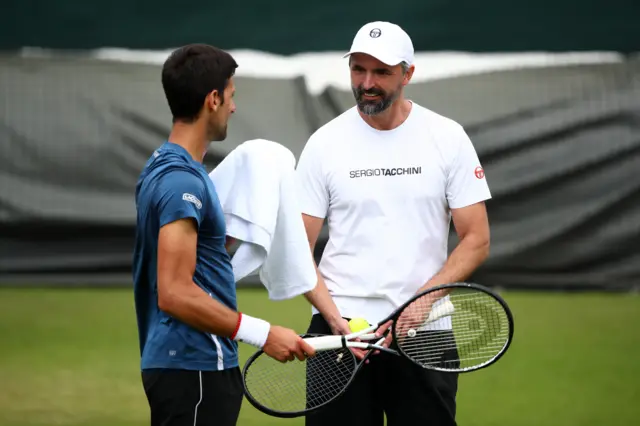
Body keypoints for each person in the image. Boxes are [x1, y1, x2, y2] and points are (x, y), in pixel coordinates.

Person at [297, 22, 491, 426]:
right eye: (358, 69)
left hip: (427, 333)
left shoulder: (447, 137)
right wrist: (337, 320)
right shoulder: (323, 143)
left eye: (381, 72)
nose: (367, 83)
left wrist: (421, 304)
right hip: (339, 335)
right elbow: (298, 249)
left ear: (408, 74)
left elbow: (476, 239)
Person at [132, 43, 315, 426]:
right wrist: (263, 333)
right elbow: (175, 292)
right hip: (194, 366)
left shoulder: (162, 168)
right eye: (231, 96)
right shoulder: (182, 183)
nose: (233, 107)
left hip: (183, 364)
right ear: (213, 99)